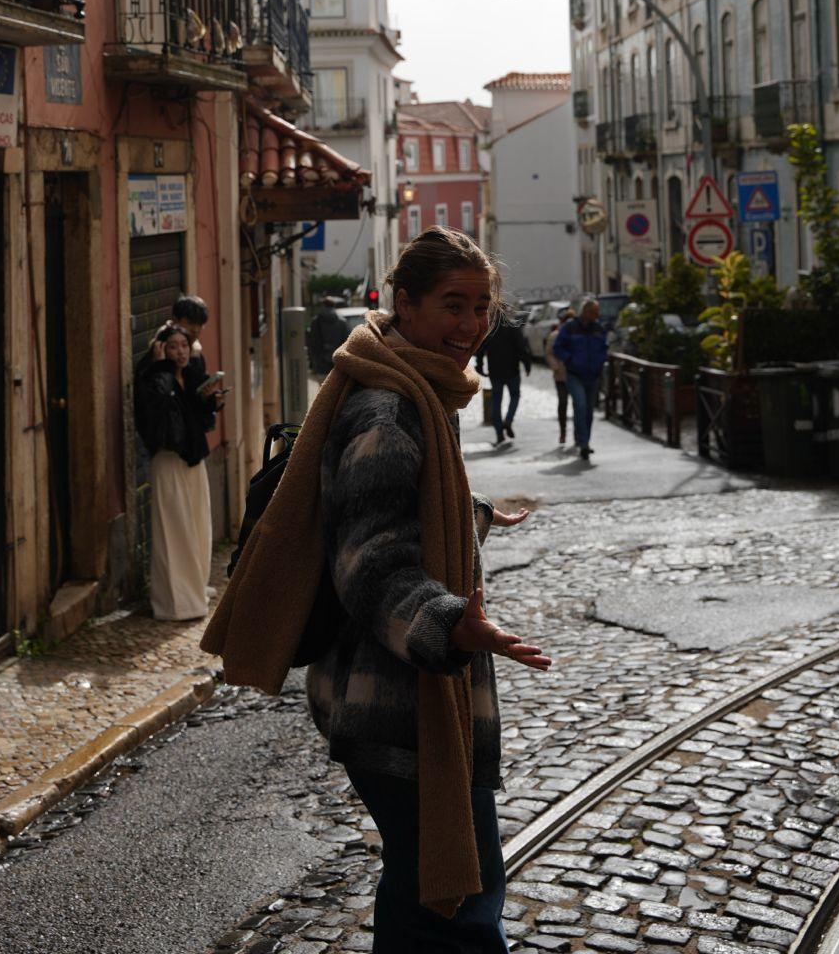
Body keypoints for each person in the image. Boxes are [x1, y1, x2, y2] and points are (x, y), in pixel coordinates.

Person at [203, 227, 551, 952]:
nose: (471, 325)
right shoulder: (388, 411)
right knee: (458, 895)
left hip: (388, 696)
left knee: (425, 888)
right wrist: (449, 626)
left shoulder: (410, 388)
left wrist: (472, 514)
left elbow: (391, 508)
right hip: (393, 701)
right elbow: (371, 562)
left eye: (482, 305)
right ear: (406, 305)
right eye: (453, 305)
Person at [135, 322, 221, 620]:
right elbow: (154, 414)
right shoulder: (153, 379)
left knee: (197, 528)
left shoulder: (192, 377)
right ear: (161, 349)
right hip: (168, 461)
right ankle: (174, 604)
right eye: (173, 346)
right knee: (174, 533)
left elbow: (197, 418)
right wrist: (158, 368)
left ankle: (194, 592)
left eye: (184, 345)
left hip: (193, 460)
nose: (181, 351)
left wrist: (211, 401)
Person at [551, 296, 609, 461]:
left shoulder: (598, 328)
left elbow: (604, 347)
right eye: (595, 313)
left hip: (593, 375)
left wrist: (600, 362)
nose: (597, 316)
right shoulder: (570, 328)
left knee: (589, 410)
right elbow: (558, 347)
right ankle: (583, 443)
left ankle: (585, 441)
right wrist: (569, 360)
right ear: (587, 312)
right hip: (575, 374)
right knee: (581, 406)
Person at [474, 308, 532, 445]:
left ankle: (499, 432)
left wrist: (480, 366)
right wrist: (527, 364)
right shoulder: (513, 328)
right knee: (515, 396)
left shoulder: (490, 330)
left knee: (496, 401)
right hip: (512, 370)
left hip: (495, 372)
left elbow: (480, 350)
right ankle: (509, 419)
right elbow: (522, 348)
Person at [545, 309, 573, 447]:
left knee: (578, 405)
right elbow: (549, 353)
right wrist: (556, 367)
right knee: (563, 404)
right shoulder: (555, 335)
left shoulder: (576, 334)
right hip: (560, 376)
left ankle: (578, 434)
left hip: (576, 375)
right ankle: (563, 432)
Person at [307, 296, 348, 375]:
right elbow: (347, 343)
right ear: (334, 306)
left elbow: (312, 343)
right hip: (337, 364)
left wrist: (313, 364)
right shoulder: (342, 322)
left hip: (321, 365)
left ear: (323, 306)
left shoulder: (316, 322)